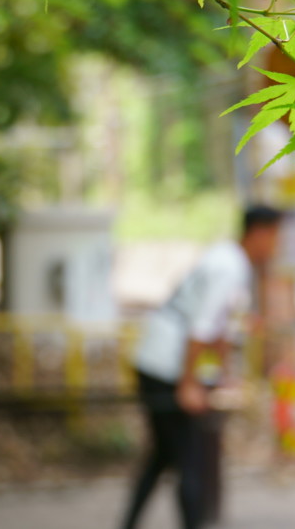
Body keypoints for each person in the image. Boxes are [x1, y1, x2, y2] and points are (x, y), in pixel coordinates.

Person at [121, 205, 282, 529]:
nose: (277, 247)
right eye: (277, 237)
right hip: (165, 364)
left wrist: (224, 375)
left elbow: (217, 330)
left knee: (165, 455)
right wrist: (188, 384)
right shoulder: (230, 268)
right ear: (260, 233)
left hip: (159, 357)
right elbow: (201, 329)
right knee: (188, 461)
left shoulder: (228, 258)